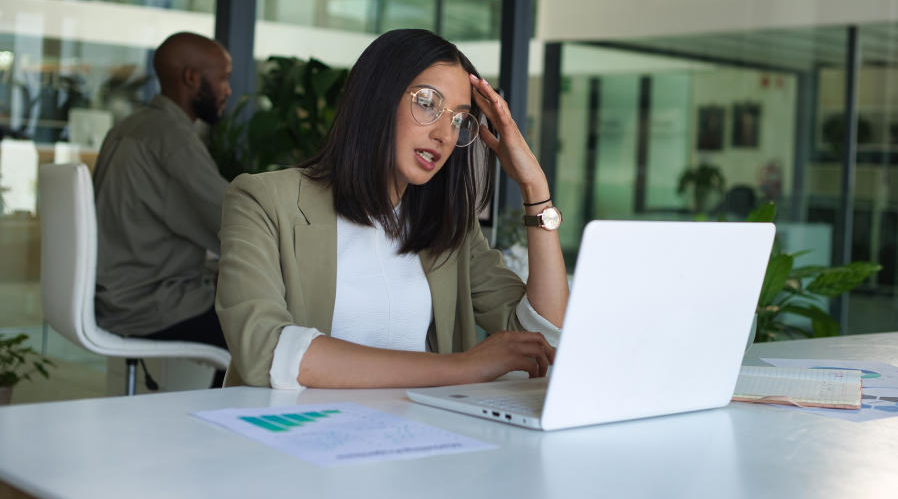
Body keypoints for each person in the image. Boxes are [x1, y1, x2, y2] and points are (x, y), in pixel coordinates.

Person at [216, 29, 569, 388]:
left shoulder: (451, 227)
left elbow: (543, 336)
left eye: (459, 119)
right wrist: (465, 367)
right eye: (428, 103)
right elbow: (266, 349)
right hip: (296, 433)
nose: (444, 135)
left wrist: (535, 188)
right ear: (377, 97)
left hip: (419, 434)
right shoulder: (264, 201)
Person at [93, 31, 232, 352]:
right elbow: (233, 222)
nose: (227, 90)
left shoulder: (130, 126)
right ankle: (221, 405)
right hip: (147, 303)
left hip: (117, 293)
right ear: (192, 78)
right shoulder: (173, 140)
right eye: (222, 78)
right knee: (263, 332)